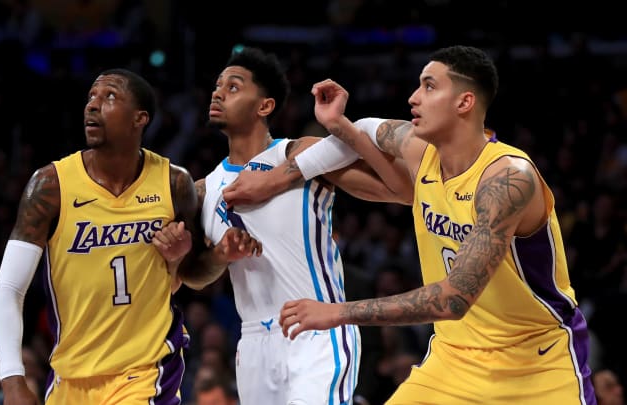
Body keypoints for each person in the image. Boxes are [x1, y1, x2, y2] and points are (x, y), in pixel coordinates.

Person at [223, 45, 597, 404]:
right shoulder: (421, 153)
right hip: (455, 358)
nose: (413, 97)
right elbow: (368, 128)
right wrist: (325, 138)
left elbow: (454, 299)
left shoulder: (507, 180)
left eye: (429, 86)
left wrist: (336, 312)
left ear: (464, 102)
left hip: (538, 361)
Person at [0, 68, 260, 405]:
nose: (92, 105)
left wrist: (216, 255)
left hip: (146, 369)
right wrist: (13, 380)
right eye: (91, 97)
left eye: (109, 97)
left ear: (139, 119)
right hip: (71, 376)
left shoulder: (174, 184)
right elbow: (11, 289)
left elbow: (191, 275)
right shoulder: (50, 186)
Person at [160, 46, 399, 405]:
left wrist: (333, 131)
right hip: (254, 340)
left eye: (234, 86)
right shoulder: (203, 189)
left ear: (265, 106)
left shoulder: (297, 154)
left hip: (316, 328)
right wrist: (223, 254)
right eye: (217, 86)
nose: (218, 92)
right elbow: (195, 276)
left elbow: (396, 189)